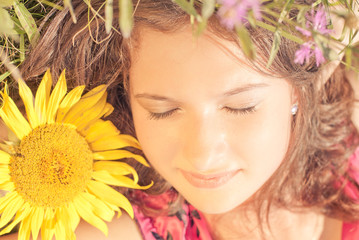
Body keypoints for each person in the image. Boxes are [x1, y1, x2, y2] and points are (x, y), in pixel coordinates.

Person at [2, 0, 359, 239]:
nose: (202, 156)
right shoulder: (130, 225)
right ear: (125, 91)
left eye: (241, 106)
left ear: (300, 87)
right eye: (163, 111)